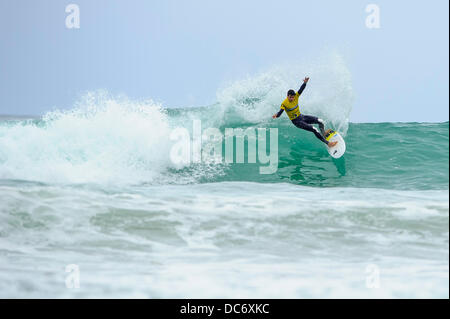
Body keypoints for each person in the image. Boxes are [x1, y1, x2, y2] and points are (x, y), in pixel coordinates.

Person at [272, 77, 338, 147]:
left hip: (301, 117)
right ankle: (328, 143)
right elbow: (280, 112)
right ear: (287, 96)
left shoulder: (296, 97)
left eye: (293, 97)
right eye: (290, 97)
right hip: (296, 122)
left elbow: (301, 89)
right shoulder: (284, 103)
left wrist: (305, 82)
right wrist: (276, 115)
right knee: (314, 129)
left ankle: (324, 134)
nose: (292, 98)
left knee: (320, 121)